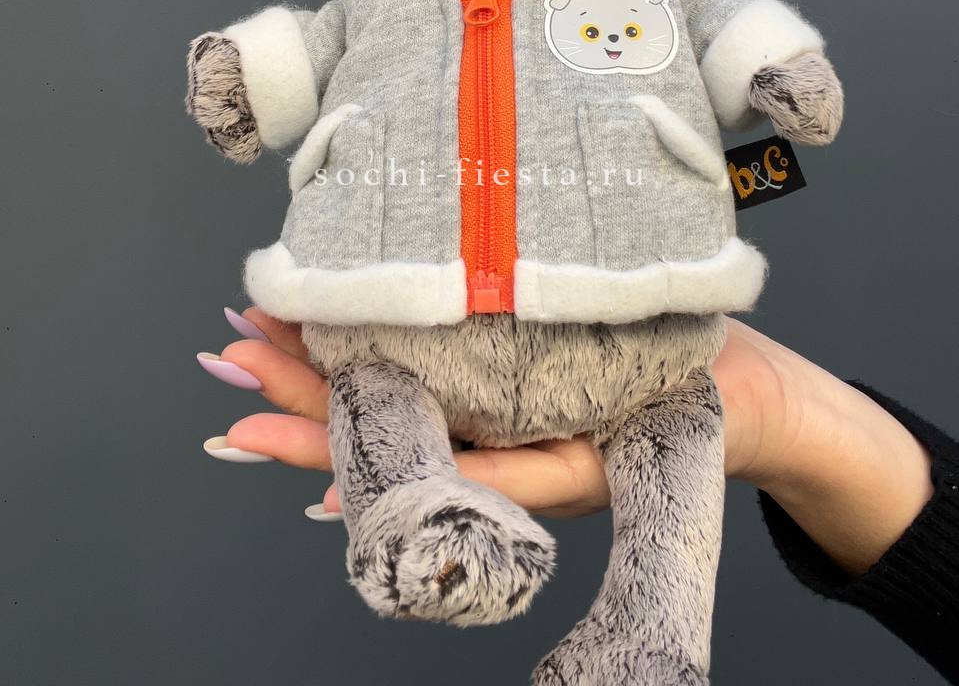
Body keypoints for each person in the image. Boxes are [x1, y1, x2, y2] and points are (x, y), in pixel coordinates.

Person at [199, 313, 959, 682]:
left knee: (674, 417)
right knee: (373, 384)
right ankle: (423, 523)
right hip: (405, 330)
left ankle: (649, 646)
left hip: (632, 346)